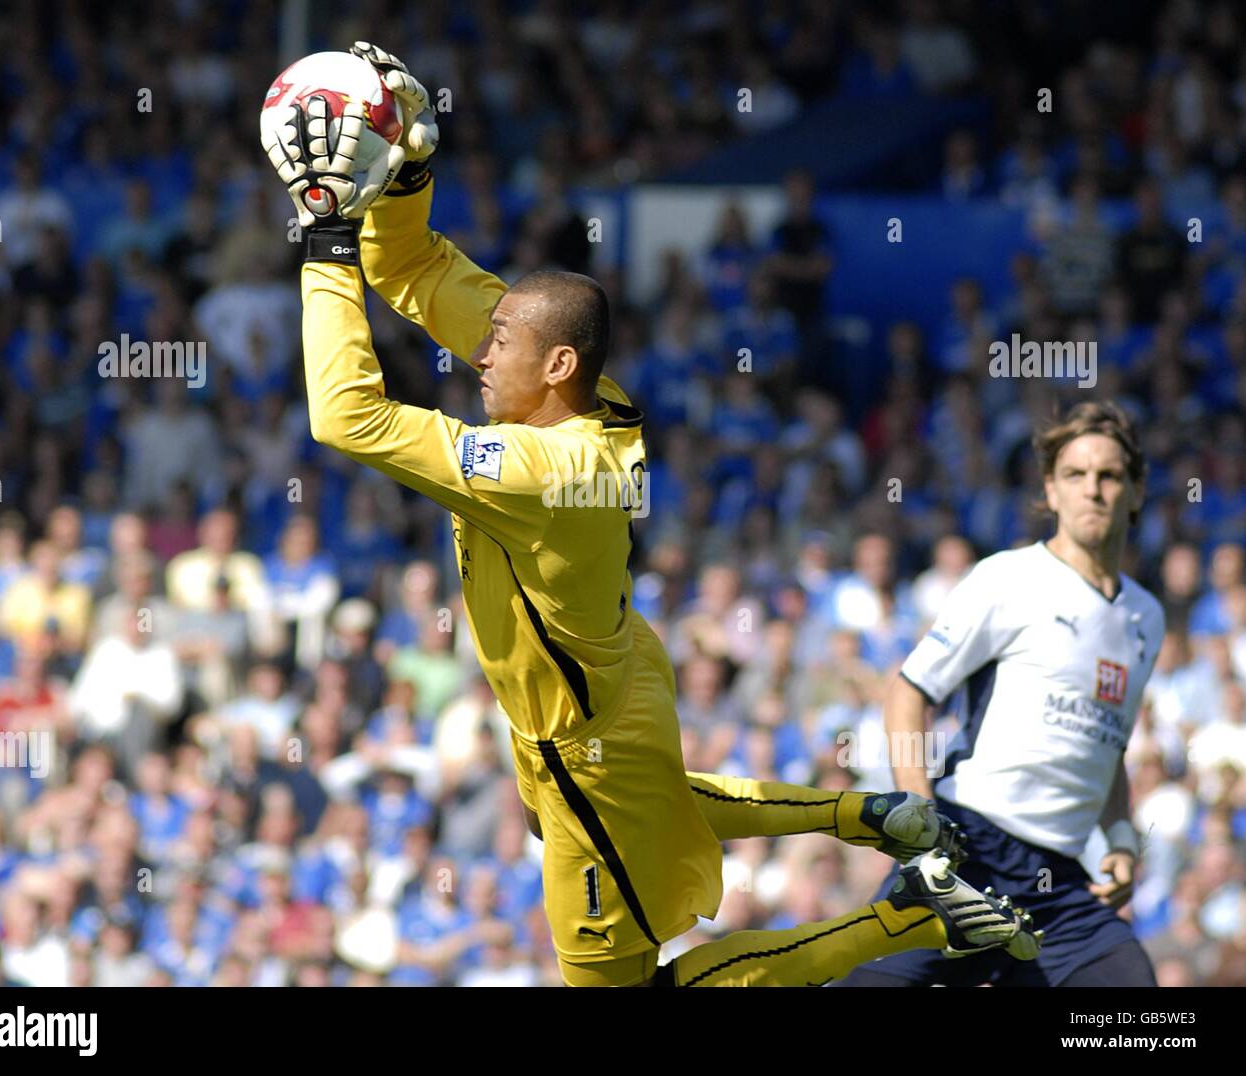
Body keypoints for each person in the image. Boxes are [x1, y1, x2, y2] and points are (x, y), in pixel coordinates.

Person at [259, 42, 1039, 987]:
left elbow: (344, 416)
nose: (478, 351)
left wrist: (325, 230)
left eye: (497, 340)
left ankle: (908, 918)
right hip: (619, 680)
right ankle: (868, 820)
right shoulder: (601, 404)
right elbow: (418, 269)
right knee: (658, 800)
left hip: (580, 731)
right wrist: (411, 164)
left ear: (552, 367)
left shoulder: (531, 465)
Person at [838, 401, 1165, 987]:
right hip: (968, 851)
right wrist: (921, 827)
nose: (1093, 489)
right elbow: (908, 693)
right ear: (1051, 490)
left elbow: (1106, 744)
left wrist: (1120, 839)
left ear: (1136, 491)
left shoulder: (1147, 617)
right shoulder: (1007, 578)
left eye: (1110, 475)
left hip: (1062, 887)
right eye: (1076, 475)